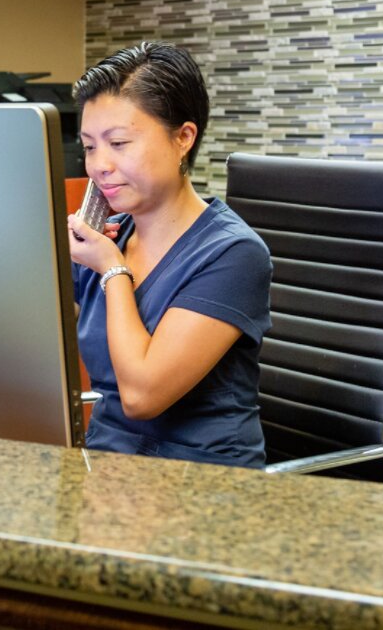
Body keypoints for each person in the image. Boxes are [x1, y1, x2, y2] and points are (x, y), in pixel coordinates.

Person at [67, 42, 272, 468]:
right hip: (107, 466)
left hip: (198, 479)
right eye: (89, 147)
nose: (99, 165)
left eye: (119, 143)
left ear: (183, 138)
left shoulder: (234, 254)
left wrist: (112, 271)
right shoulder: (106, 239)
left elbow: (142, 396)